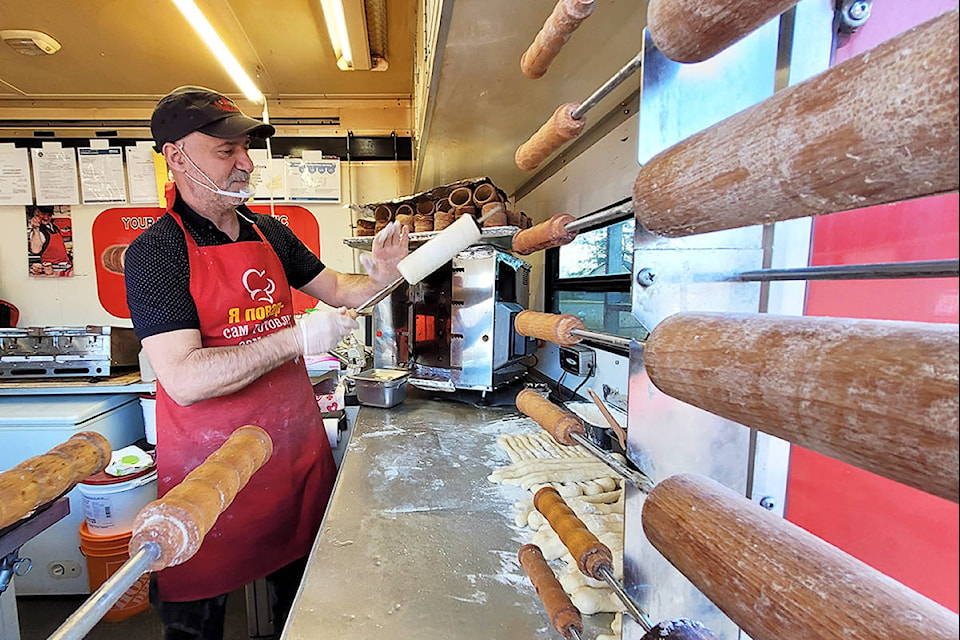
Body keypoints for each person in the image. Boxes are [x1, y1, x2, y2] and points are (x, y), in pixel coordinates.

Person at [123, 86, 408, 640]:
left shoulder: (269, 232)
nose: (245, 162)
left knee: (305, 613)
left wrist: (381, 274)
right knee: (194, 623)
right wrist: (294, 338)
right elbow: (182, 377)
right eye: (225, 150)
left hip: (292, 461)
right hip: (210, 474)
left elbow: (342, 290)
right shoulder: (157, 251)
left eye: (245, 148)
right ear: (177, 156)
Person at [28, 206, 71, 274]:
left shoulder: (54, 227)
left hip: (64, 267)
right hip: (50, 270)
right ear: (36, 214)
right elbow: (35, 250)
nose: (46, 217)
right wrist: (36, 229)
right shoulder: (38, 232)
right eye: (43, 214)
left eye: (49, 215)